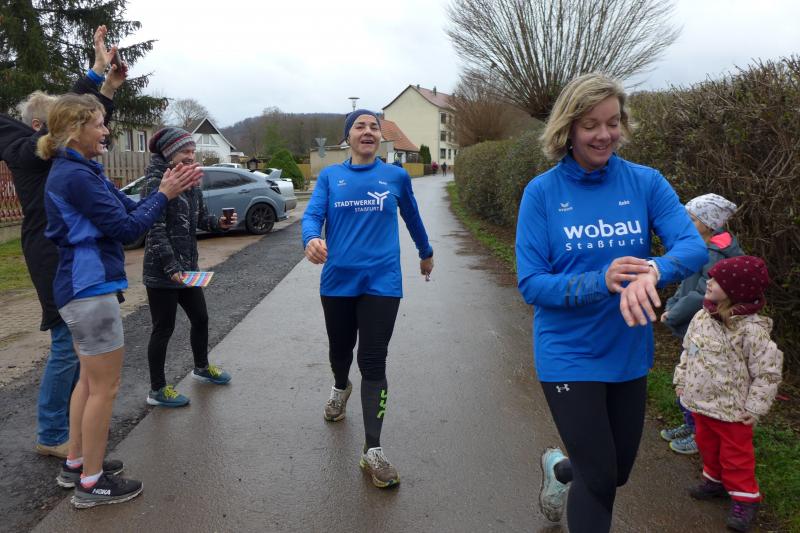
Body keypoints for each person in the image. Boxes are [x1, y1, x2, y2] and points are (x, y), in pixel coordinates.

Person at [514, 73, 707, 531]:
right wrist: (601, 281)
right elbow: (533, 283)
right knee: (599, 477)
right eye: (590, 125)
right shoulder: (542, 193)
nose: (604, 134)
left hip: (627, 350)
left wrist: (655, 269)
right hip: (568, 353)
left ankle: (561, 470)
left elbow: (692, 246)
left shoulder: (645, 183)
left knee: (615, 471)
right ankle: (579, 473)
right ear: (568, 129)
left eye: (613, 122)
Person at [40, 93, 200, 507]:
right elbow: (128, 229)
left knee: (88, 382)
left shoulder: (81, 171)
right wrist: (164, 194)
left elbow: (132, 208)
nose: (106, 130)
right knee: (104, 388)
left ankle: (77, 464)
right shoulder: (75, 177)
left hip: (81, 288)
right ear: (74, 130)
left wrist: (168, 191)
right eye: (98, 123)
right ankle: (91, 484)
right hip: (89, 290)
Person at [0, 25, 124, 458]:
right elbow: (72, 124)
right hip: (50, 255)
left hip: (71, 256)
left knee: (81, 348)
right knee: (66, 345)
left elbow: (82, 121)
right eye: (61, 120)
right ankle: (52, 434)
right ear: (41, 125)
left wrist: (104, 84)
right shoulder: (24, 149)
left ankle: (76, 429)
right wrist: (94, 76)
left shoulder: (56, 149)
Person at [302, 109, 433, 488]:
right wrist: (311, 239)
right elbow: (312, 216)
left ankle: (372, 449)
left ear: (380, 137)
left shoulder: (395, 176)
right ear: (348, 137)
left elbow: (412, 217)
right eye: (360, 126)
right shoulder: (330, 176)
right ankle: (340, 386)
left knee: (373, 360)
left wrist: (425, 252)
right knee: (340, 351)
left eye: (374, 126)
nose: (368, 131)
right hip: (338, 281)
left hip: (382, 282)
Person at [674, 256, 782, 532]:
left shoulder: (751, 330)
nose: (709, 282)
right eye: (710, 277)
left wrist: (755, 408)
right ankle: (715, 481)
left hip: (732, 411)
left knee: (736, 457)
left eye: (717, 280)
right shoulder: (701, 316)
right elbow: (689, 351)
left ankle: (745, 499)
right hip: (700, 403)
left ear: (736, 290)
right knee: (707, 446)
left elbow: (768, 372)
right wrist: (681, 379)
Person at [140, 127, 236, 407]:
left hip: (188, 269)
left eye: (193, 151)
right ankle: (157, 390)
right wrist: (171, 266)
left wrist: (220, 224)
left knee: (201, 318)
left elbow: (201, 219)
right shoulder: (156, 181)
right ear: (170, 153)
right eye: (185, 151)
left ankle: (201, 368)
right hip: (162, 271)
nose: (191, 156)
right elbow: (154, 229)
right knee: (163, 328)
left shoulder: (190, 180)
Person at [659, 193, 742, 455]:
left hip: (709, 329)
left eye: (692, 219)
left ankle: (700, 434)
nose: (687, 223)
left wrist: (674, 314)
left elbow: (701, 295)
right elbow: (687, 283)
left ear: (709, 224)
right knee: (689, 377)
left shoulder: (716, 254)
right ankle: (690, 424)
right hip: (695, 325)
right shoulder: (700, 247)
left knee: (701, 383)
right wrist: (672, 304)